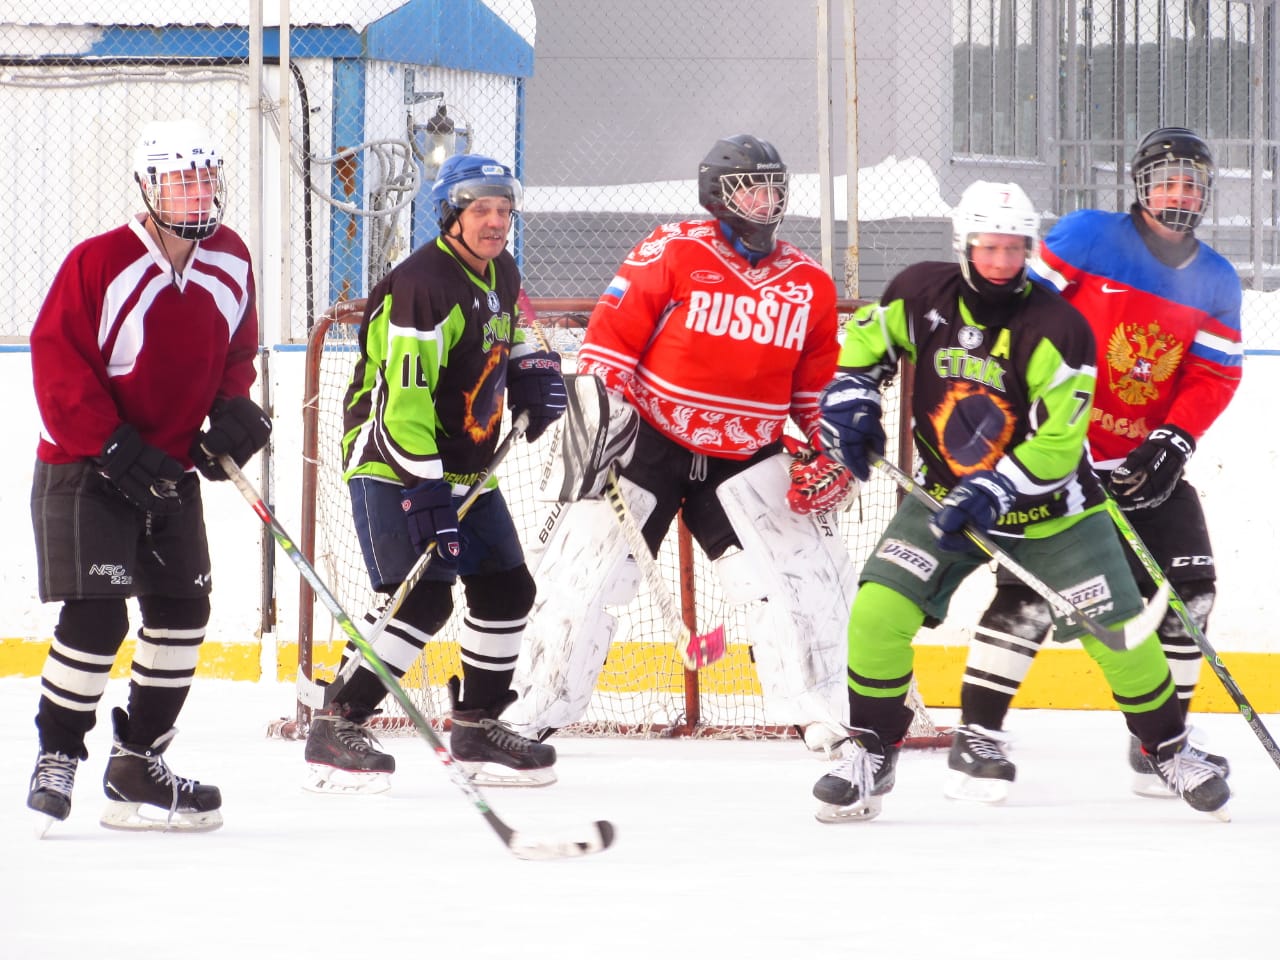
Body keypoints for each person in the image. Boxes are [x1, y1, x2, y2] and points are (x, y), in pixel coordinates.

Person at [810, 179, 1231, 823]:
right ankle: (871, 749)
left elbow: (1060, 445)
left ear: (1030, 248)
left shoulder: (1059, 326)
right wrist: (854, 397)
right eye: (988, 247)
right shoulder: (919, 292)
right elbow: (866, 346)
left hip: (1055, 512)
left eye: (1014, 248)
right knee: (876, 612)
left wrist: (993, 488)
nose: (1002, 261)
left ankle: (1168, 748)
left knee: (1120, 639)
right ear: (964, 244)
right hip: (945, 497)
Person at [507, 134, 856, 748]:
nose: (767, 199)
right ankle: (530, 714)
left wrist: (833, 448)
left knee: (800, 582)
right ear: (717, 194)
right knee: (583, 581)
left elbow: (814, 386)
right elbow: (609, 344)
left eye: (775, 186)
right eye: (752, 186)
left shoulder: (810, 284)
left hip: (746, 456)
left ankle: (822, 714)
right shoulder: (669, 252)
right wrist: (600, 424)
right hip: (650, 445)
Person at [951, 128, 1243, 802]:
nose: (1179, 194)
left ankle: (1160, 745)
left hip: (1141, 461)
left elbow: (1212, 375)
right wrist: (1038, 422)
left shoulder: (1215, 278)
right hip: (1054, 457)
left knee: (1191, 589)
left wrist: (1174, 440)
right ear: (1139, 186)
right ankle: (977, 737)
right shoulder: (1086, 237)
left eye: (1191, 183)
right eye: (1167, 180)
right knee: (1030, 596)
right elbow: (1018, 312)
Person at [25, 119, 270, 834]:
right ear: (147, 187)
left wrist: (232, 410)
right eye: (179, 181)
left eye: (205, 180)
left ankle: (137, 763)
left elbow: (237, 349)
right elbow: (57, 361)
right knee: (98, 615)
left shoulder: (230, 259)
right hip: (84, 463)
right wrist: (110, 446)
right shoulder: (98, 262)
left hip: (165, 471)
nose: (196, 195)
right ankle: (58, 755)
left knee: (182, 613)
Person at [301, 154, 567, 792]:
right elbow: (405, 406)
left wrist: (531, 368)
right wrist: (426, 495)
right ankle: (338, 720)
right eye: (481, 210)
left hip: (467, 464)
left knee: (507, 591)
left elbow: (508, 331)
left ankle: (477, 724)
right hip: (395, 460)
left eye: (504, 210)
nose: (496, 222)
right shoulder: (422, 285)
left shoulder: (500, 269)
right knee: (419, 597)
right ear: (451, 215)